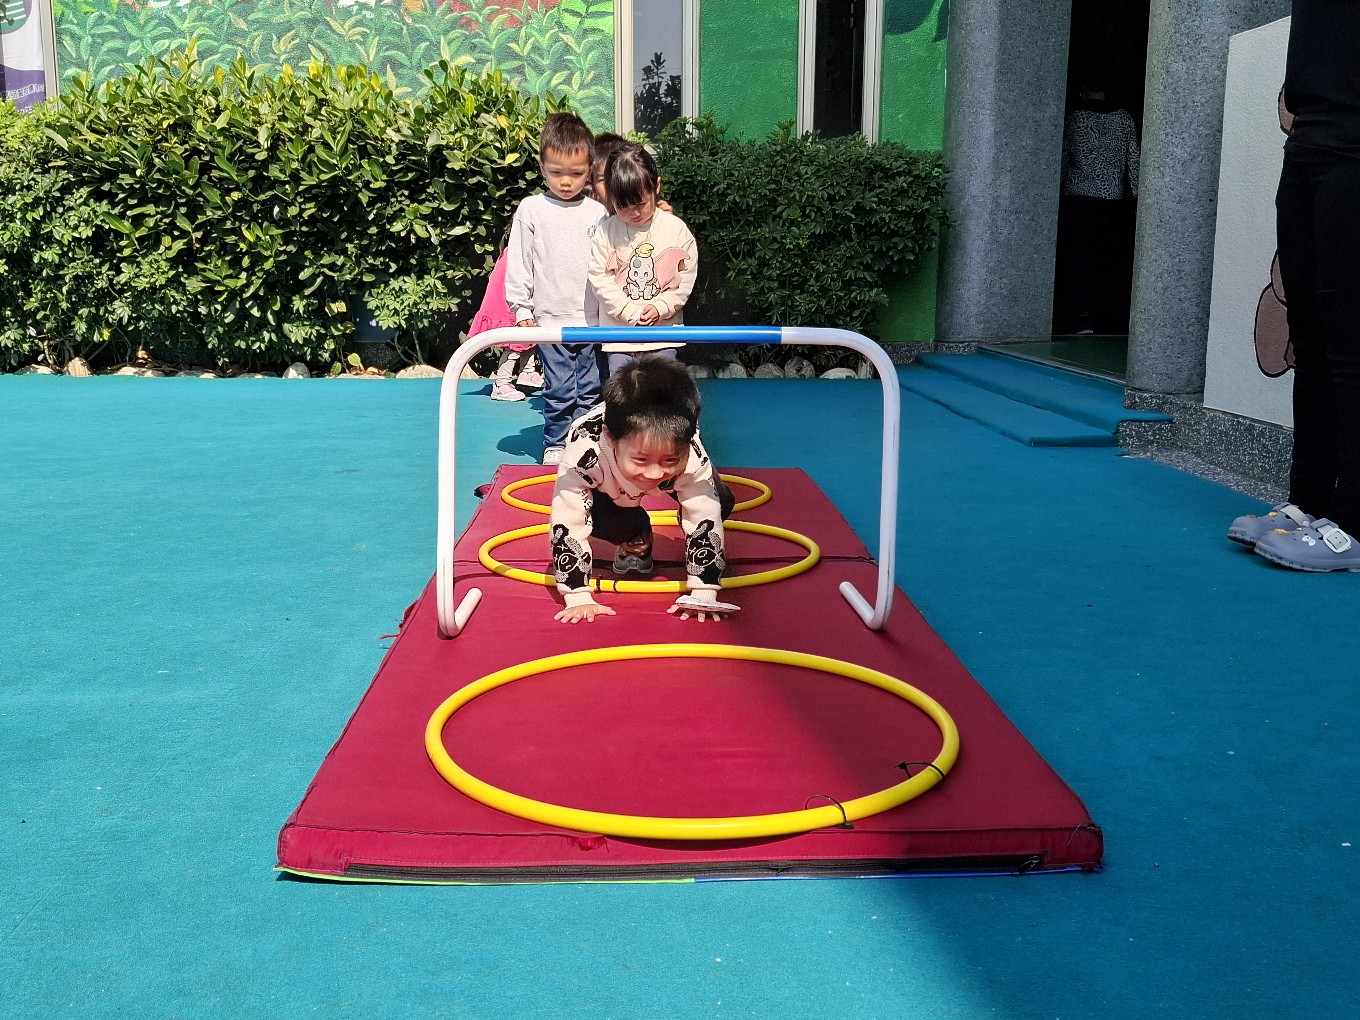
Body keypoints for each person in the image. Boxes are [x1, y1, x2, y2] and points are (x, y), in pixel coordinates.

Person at [1232, 0, 1360, 572]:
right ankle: (1309, 505)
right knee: (1308, 339)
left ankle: (1353, 527)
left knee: (1350, 345)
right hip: (1307, 143)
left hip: (1355, 151)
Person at [548, 354, 737, 624]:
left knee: (719, 502)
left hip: (678, 475)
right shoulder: (584, 451)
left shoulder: (690, 453)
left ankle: (660, 474)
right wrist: (577, 595)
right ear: (611, 438)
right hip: (608, 482)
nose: (654, 473)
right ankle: (635, 531)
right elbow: (568, 518)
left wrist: (703, 592)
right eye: (641, 459)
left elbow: (704, 513)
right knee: (607, 521)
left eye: (669, 459)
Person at [503, 112, 607, 464]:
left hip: (593, 320)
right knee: (560, 387)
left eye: (576, 173)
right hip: (550, 319)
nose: (566, 181)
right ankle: (557, 442)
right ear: (541, 167)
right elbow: (520, 260)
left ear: (590, 169)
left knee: (591, 388)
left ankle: (588, 443)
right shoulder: (532, 209)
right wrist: (521, 308)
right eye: (556, 172)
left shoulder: (597, 212)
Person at [587, 143, 697, 376]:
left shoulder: (676, 230)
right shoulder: (606, 231)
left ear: (656, 186)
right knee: (623, 391)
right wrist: (628, 310)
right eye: (622, 206)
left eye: (640, 203)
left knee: (663, 391)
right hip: (619, 338)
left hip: (663, 336)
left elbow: (685, 279)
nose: (634, 213)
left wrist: (660, 307)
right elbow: (599, 278)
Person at [1054, 84, 1140, 335]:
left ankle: (1076, 316)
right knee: (1107, 261)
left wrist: (1055, 191)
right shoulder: (1124, 119)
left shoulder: (1075, 119)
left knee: (1077, 259)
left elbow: (1062, 158)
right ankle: (1106, 317)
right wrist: (1137, 197)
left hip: (1078, 199)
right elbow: (1134, 161)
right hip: (1111, 201)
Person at [466, 232, 542, 402]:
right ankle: (502, 383)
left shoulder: (513, 253)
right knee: (514, 345)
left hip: (511, 305)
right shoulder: (515, 256)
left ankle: (527, 371)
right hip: (507, 306)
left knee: (529, 337)